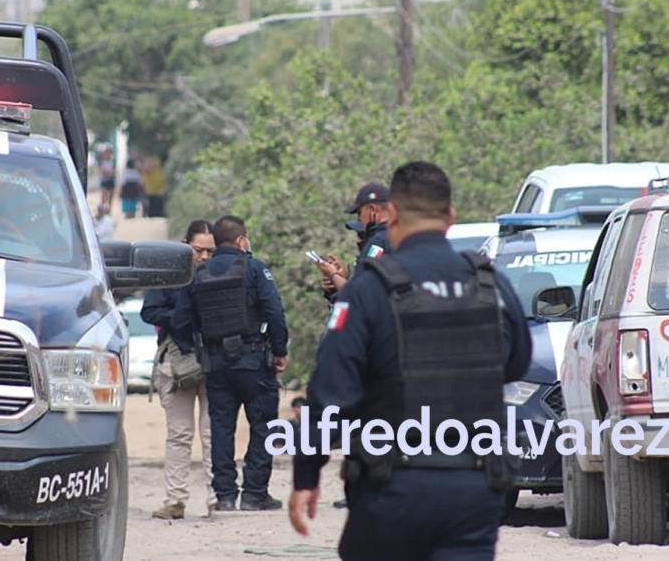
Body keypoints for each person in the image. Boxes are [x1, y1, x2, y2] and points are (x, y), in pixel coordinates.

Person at [288, 161, 533, 560]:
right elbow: (518, 365)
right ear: (450, 218)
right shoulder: (489, 283)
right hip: (473, 489)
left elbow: (331, 395)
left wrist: (306, 474)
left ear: (393, 214)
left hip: (391, 488)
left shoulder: (369, 289)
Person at [172, 215, 289, 512]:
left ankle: (224, 496)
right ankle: (254, 494)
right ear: (240, 240)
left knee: (222, 429)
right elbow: (274, 312)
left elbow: (181, 321)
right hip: (253, 361)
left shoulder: (197, 274)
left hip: (216, 365)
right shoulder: (254, 268)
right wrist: (280, 350)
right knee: (262, 425)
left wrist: (196, 349)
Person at [142, 220, 218, 519]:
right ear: (186, 244)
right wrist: (181, 317)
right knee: (179, 434)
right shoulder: (168, 273)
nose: (204, 257)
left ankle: (217, 500)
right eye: (199, 249)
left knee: (213, 435)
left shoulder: (220, 272)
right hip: (177, 361)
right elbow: (150, 310)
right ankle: (175, 500)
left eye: (211, 251)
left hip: (213, 361)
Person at [317, 183, 392, 301]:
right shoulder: (402, 237)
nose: (358, 219)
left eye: (359, 213)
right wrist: (344, 279)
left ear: (372, 209)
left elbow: (362, 293)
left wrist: (333, 275)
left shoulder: (378, 242)